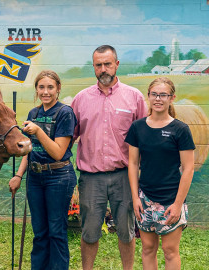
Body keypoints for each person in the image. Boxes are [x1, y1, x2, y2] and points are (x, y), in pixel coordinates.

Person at [70, 45, 147, 270]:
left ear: (117, 64)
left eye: (107, 64)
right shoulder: (81, 99)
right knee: (90, 232)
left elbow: (144, 138)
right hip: (91, 178)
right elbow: (69, 137)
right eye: (98, 65)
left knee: (126, 230)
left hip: (124, 176)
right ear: (94, 66)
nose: (103, 69)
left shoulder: (135, 98)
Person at [9, 70, 77, 270]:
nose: (45, 92)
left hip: (58, 177)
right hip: (35, 178)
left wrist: (38, 130)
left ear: (58, 89)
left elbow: (58, 152)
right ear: (36, 89)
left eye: (50, 87)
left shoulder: (65, 113)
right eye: (41, 87)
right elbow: (29, 149)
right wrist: (19, 175)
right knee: (40, 231)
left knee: (56, 231)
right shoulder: (34, 114)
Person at [125, 77, 195, 269]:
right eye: (154, 94)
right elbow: (132, 163)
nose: (158, 98)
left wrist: (178, 203)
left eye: (163, 95)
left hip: (171, 200)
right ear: (148, 96)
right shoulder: (137, 128)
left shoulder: (180, 129)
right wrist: (136, 198)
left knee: (170, 251)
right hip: (145, 199)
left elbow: (188, 168)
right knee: (147, 248)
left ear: (172, 98)